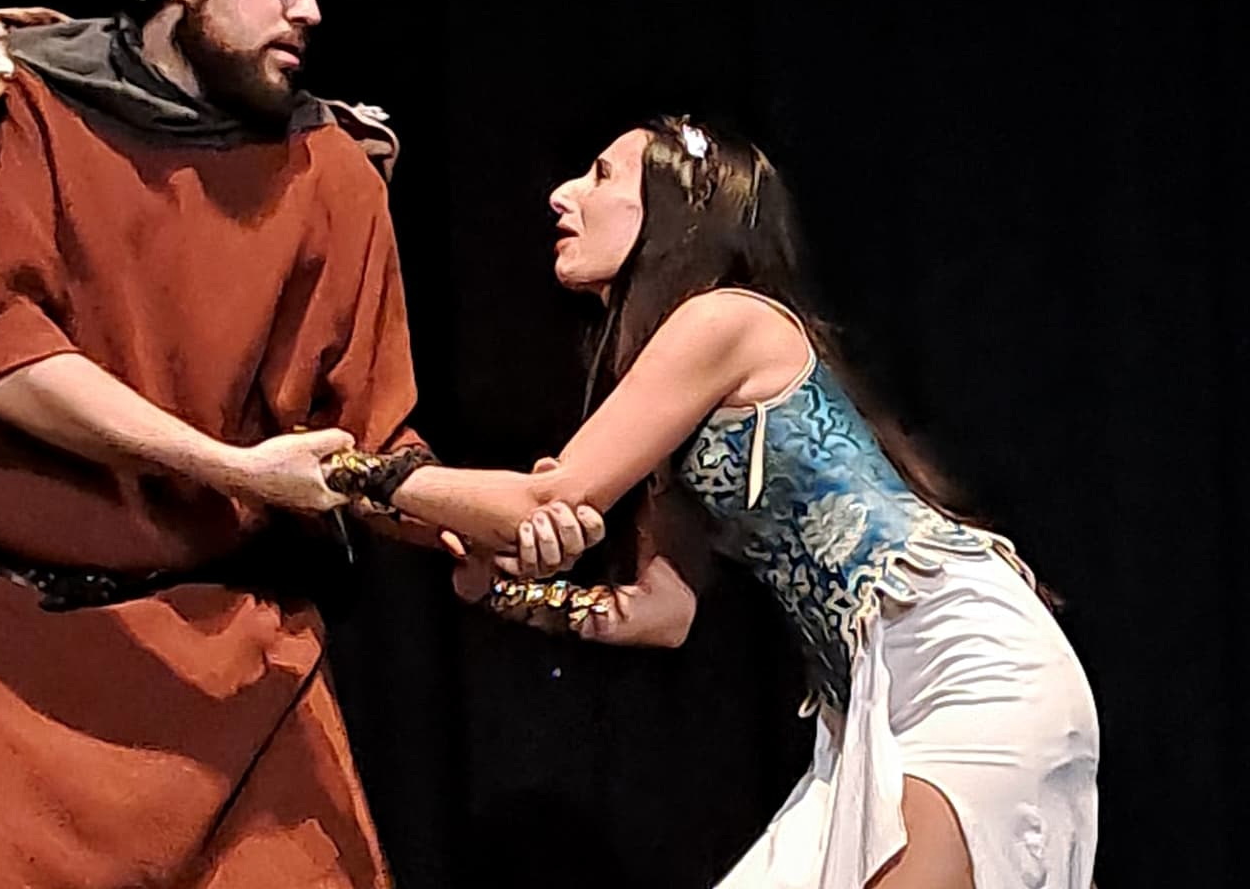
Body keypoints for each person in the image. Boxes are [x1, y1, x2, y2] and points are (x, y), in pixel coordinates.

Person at [0, 0, 587, 887]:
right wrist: (232, 468)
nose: (309, 10)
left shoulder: (333, 171)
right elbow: (4, 359)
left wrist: (479, 524)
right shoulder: (20, 108)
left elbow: (369, 444)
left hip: (244, 678)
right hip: (22, 681)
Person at [329, 116, 1101, 888]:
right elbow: (661, 612)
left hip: (961, 666)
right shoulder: (683, 394)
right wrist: (502, 592)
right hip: (873, 701)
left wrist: (345, 469)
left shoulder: (725, 318)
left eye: (602, 175)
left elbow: (549, 498)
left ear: (676, 210)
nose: (563, 195)